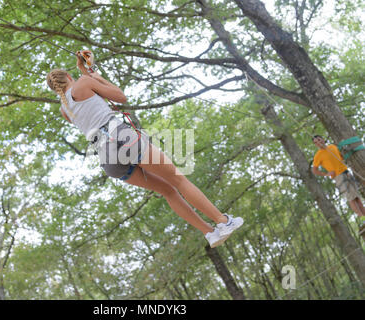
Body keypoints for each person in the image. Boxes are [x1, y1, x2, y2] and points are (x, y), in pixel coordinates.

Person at [46, 50, 243, 248]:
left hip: (108, 159)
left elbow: (91, 106)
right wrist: (92, 73)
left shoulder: (65, 110)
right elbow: (120, 96)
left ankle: (210, 233)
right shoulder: (82, 83)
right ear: (69, 76)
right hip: (122, 138)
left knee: (168, 191)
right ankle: (223, 221)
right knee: (178, 179)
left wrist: (87, 73)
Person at [312, 135, 365, 235]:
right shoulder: (318, 155)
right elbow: (314, 170)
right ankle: (361, 217)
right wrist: (326, 174)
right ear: (315, 145)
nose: (318, 142)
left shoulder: (332, 147)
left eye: (319, 140)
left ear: (322, 139)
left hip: (346, 172)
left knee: (357, 197)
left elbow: (341, 157)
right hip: (338, 176)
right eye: (316, 142)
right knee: (351, 198)